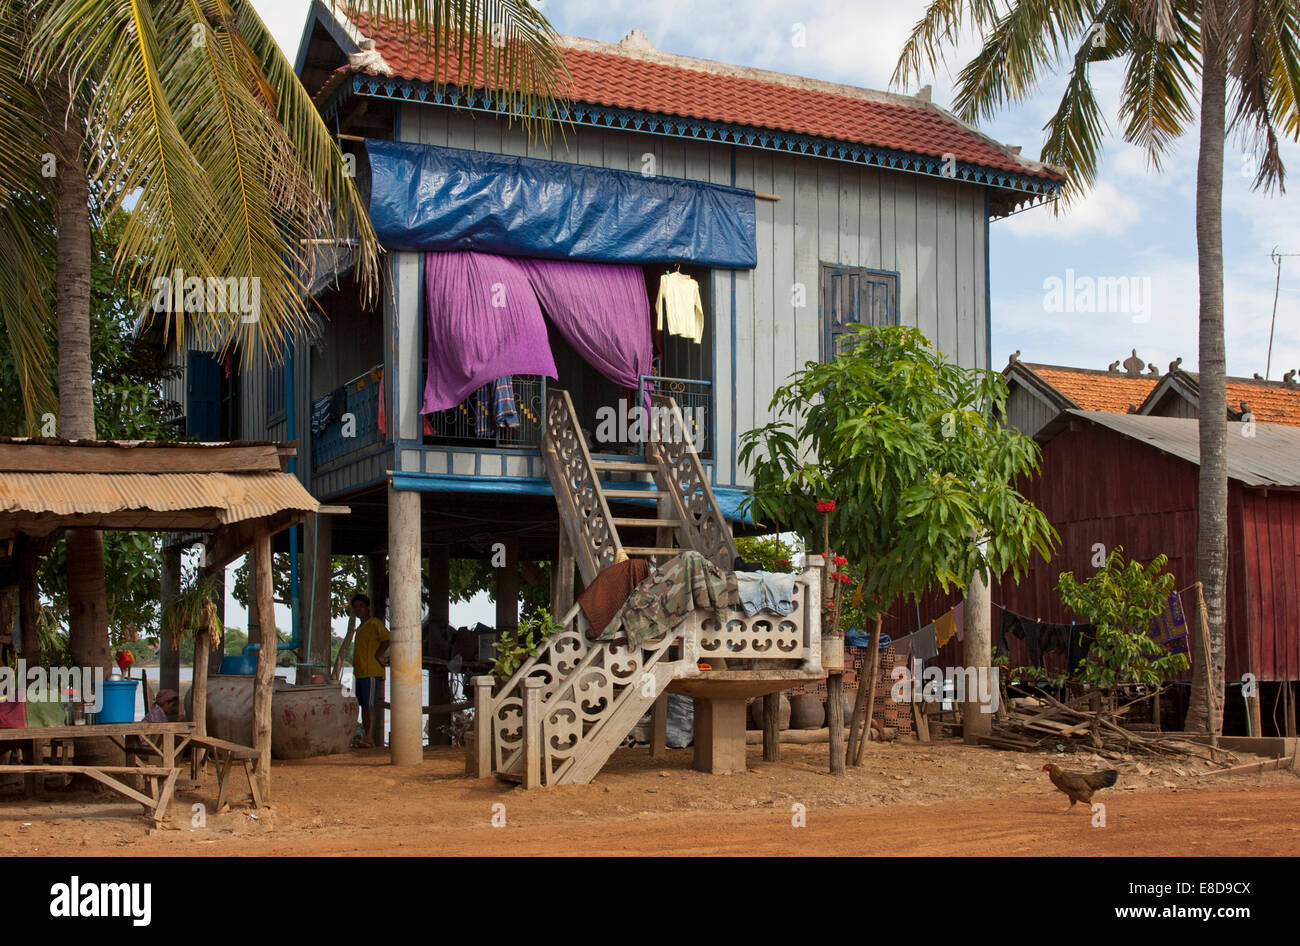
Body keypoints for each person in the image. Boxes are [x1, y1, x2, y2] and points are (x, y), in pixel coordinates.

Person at [349, 593, 390, 748]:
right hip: (360, 673)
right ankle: (368, 738)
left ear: (367, 608)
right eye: (356, 607)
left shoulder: (374, 623)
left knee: (370, 706)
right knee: (364, 706)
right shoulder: (360, 628)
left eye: (361, 606)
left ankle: (370, 737)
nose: (359, 609)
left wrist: (379, 654)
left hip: (371, 671)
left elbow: (387, 639)